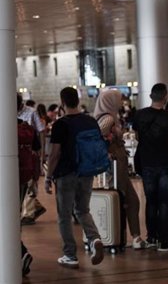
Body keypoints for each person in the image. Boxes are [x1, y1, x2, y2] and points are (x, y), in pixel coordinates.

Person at [44, 87, 104, 269]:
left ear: (62, 102)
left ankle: (70, 255)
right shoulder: (90, 121)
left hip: (66, 174)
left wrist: (48, 176)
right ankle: (94, 240)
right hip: (86, 172)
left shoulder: (61, 124)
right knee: (83, 210)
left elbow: (55, 154)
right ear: (78, 100)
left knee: (64, 215)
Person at [133, 83, 168, 252]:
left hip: (147, 164)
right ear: (165, 97)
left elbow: (137, 136)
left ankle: (151, 238)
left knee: (151, 201)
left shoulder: (139, 115)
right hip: (166, 164)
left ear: (150, 96)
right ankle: (164, 241)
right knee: (164, 201)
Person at [93, 89, 146, 249]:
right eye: (117, 99)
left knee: (129, 200)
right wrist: (107, 152)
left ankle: (131, 237)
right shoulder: (108, 119)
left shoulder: (109, 117)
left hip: (118, 164)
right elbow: (98, 136)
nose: (121, 101)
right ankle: (117, 237)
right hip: (115, 165)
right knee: (122, 200)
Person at [17, 106, 41, 276]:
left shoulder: (0, 126)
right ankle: (20, 253)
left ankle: (20, 253)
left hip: (4, 178)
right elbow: (37, 149)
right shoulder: (26, 129)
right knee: (15, 217)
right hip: (23, 177)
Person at [18, 94, 47, 225]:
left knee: (30, 183)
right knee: (24, 185)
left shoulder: (31, 112)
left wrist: (41, 151)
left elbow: (41, 131)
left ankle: (29, 213)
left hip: (30, 150)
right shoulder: (7, 111)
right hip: (17, 152)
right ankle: (36, 207)